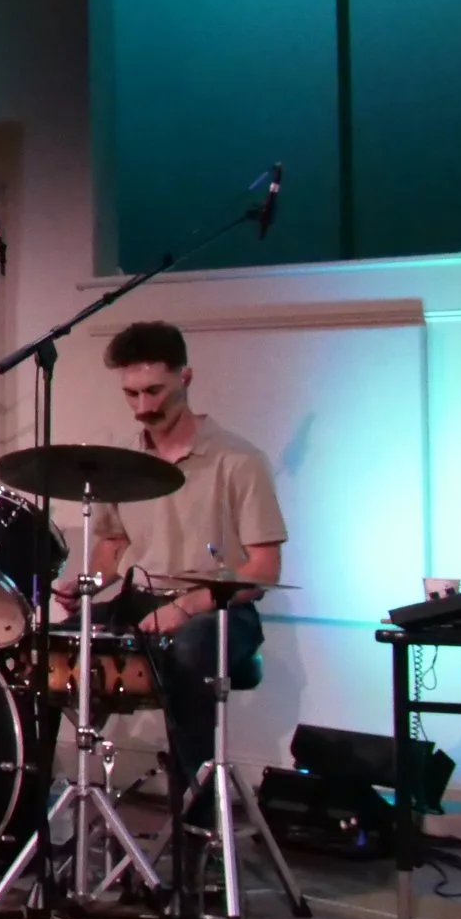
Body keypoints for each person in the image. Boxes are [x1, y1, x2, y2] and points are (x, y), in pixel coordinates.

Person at [58, 320, 286, 787]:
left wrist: (184, 607)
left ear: (186, 377)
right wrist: (89, 585)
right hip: (140, 603)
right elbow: (115, 544)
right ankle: (30, 816)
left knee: (187, 649)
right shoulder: (125, 463)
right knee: (49, 649)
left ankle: (196, 819)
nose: (143, 407)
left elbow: (263, 569)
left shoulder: (239, 461)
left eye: (154, 391)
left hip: (218, 611)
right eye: (132, 395)